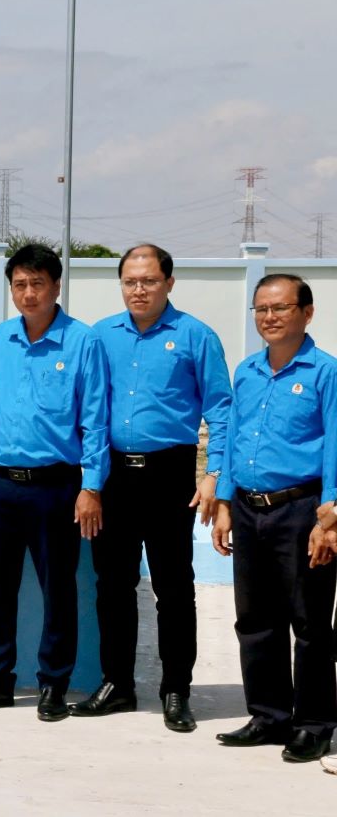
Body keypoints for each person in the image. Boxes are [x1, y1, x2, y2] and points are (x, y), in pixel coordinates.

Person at [71, 244, 231, 732]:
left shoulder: (195, 336)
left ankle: (176, 689)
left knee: (174, 588)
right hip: (114, 476)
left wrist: (214, 476)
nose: (139, 289)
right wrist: (91, 483)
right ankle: (117, 683)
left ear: (169, 283)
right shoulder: (101, 336)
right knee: (112, 587)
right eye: (130, 281)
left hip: (170, 475)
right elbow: (92, 416)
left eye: (149, 281)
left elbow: (221, 411)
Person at [0, 243, 109, 722]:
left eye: (37, 283)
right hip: (0, 483)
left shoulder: (83, 342)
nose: (28, 293)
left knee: (58, 589)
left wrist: (91, 487)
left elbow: (96, 421)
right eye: (19, 284)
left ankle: (53, 685)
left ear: (56, 286)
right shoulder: (0, 339)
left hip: (55, 487)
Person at [211, 273, 337, 763]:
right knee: (255, 619)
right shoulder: (247, 371)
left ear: (307, 313)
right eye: (261, 309)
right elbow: (232, 436)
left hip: (303, 508)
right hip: (248, 507)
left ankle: (314, 722)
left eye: (280, 308)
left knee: (308, 623)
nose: (269, 317)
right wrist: (223, 503)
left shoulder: (325, 372)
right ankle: (268, 715)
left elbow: (334, 448)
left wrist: (328, 521)